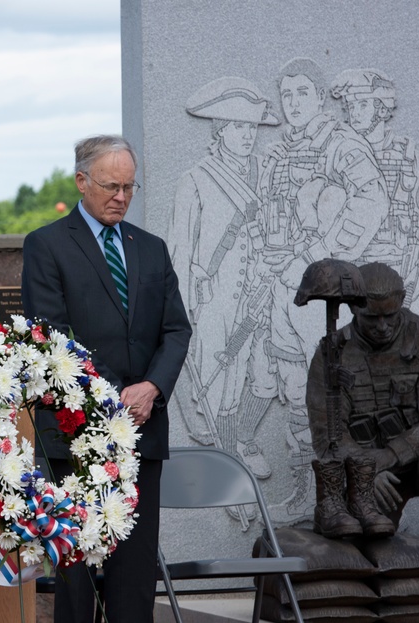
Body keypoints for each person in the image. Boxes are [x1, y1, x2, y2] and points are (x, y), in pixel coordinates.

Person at [22, 135, 191, 623]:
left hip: (143, 432)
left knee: (135, 577)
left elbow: (176, 329)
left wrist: (152, 387)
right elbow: (52, 337)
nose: (121, 196)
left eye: (130, 187)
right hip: (74, 437)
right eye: (111, 186)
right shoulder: (47, 244)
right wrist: (115, 396)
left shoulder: (152, 249)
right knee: (76, 580)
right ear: (82, 181)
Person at [257, 58, 389, 524]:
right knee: (295, 390)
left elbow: (372, 201)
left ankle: (350, 500)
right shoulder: (279, 152)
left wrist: (324, 259)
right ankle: (306, 496)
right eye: (286, 94)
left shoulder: (340, 144)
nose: (293, 104)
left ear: (319, 97)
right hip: (281, 288)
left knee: (329, 397)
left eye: (303, 94)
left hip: (321, 298)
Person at [169, 77, 279, 480]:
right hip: (216, 299)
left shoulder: (266, 175)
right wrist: (183, 315)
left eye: (251, 127)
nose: (247, 136)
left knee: (268, 376)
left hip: (262, 293)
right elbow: (180, 254)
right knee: (221, 385)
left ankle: (243, 437)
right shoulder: (195, 180)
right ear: (219, 131)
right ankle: (228, 461)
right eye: (238, 127)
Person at [306, 262, 419, 544]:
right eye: (372, 318)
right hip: (370, 474)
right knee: (365, 542)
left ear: (402, 301)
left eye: (390, 316)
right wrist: (367, 469)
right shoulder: (332, 354)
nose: (382, 327)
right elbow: (328, 436)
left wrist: (391, 455)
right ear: (354, 308)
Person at [330, 68, 419, 316]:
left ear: (382, 109)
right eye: (350, 106)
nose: (355, 113)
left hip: (402, 282)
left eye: (362, 105)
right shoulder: (336, 157)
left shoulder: (413, 160)